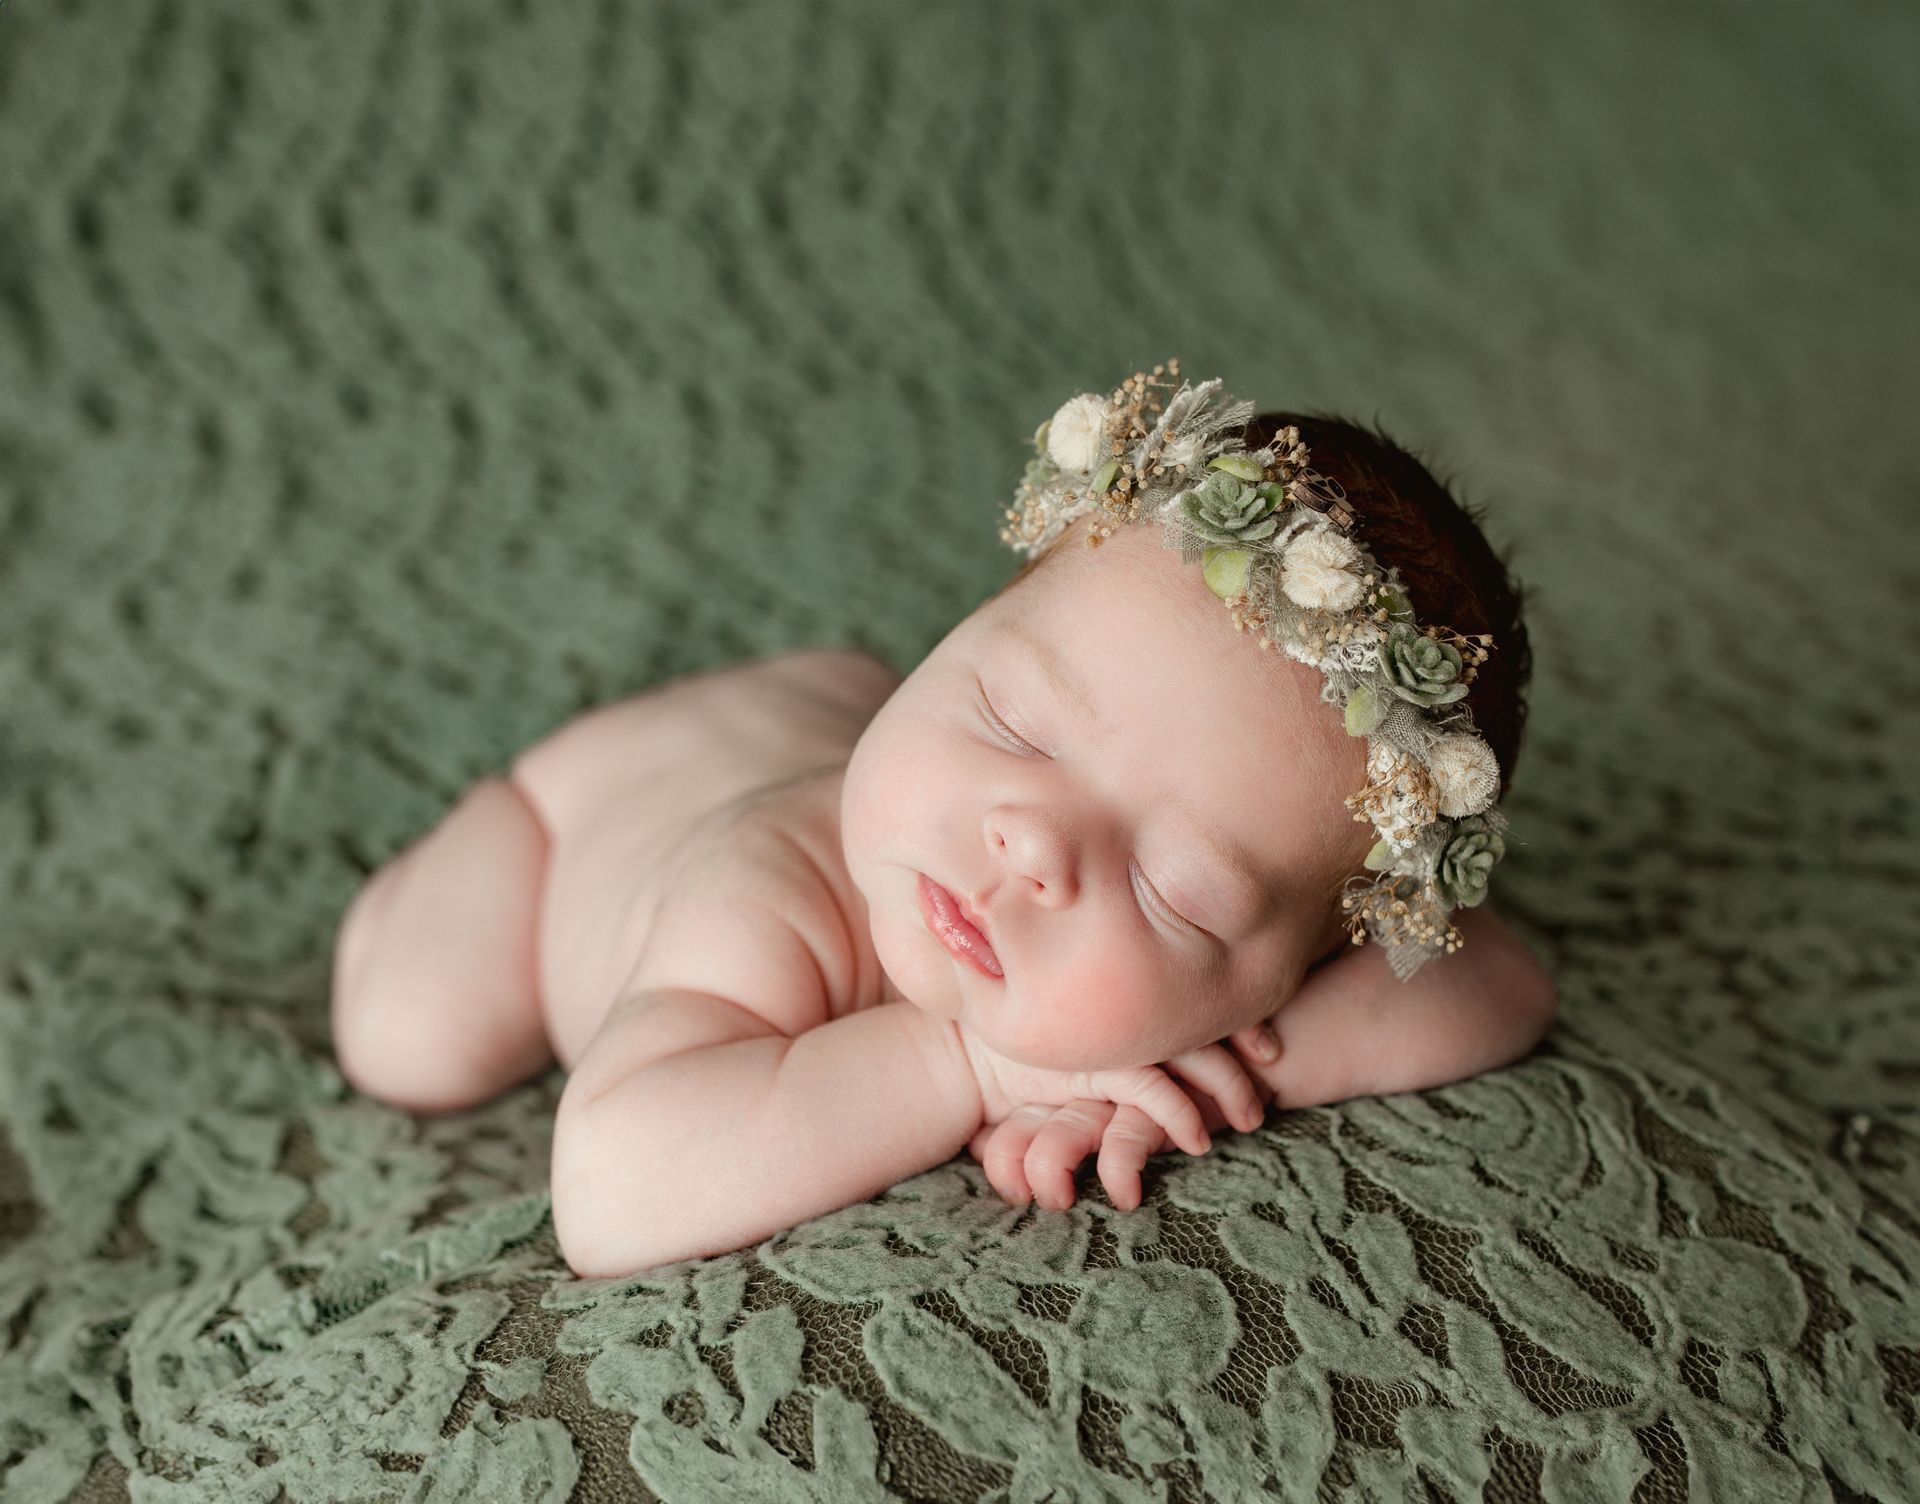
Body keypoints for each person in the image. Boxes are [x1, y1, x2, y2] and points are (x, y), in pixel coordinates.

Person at [329, 364, 1557, 1280]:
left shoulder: (1234, 957)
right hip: (591, 813)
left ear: (1294, 968)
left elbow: (1497, 983)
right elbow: (613, 1188)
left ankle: (857, 695)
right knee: (416, 1036)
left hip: (808, 730)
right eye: (1013, 722)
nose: (1033, 840)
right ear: (962, 625)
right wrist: (982, 1064)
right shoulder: (767, 886)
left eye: (1174, 889)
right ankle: (550, 788)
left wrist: (1206, 1064)